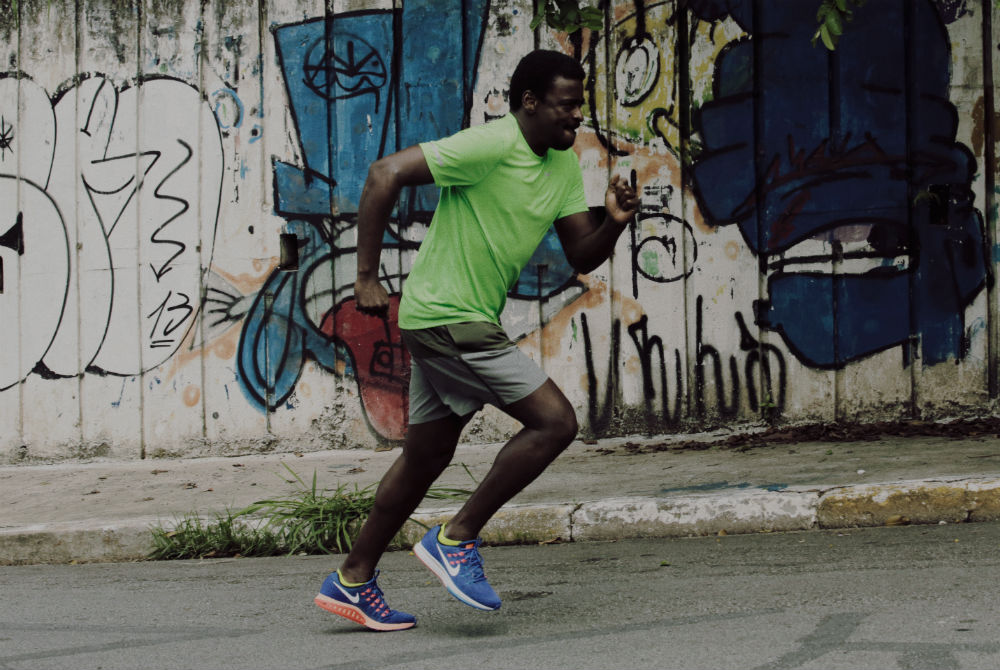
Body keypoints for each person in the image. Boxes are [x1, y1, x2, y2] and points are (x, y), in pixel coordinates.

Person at [313, 49, 639, 631]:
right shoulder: (491, 145)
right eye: (566, 108)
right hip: (448, 316)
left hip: (451, 319)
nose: (576, 120)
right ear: (530, 102)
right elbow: (384, 173)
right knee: (555, 422)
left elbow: (581, 254)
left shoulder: (562, 167)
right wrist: (365, 278)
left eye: (579, 109)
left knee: (426, 457)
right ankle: (456, 538)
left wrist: (612, 220)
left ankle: (352, 580)